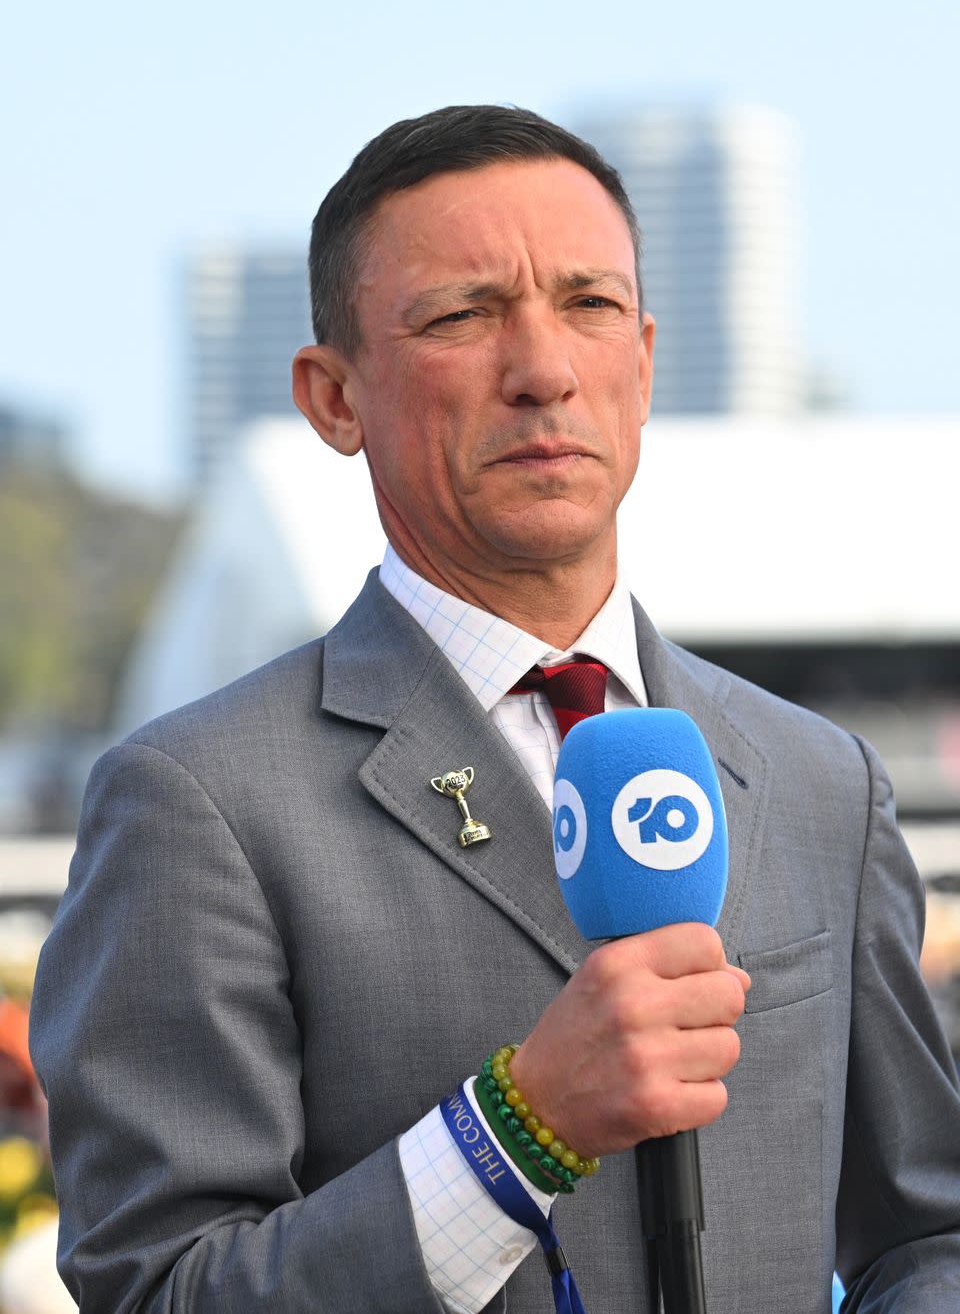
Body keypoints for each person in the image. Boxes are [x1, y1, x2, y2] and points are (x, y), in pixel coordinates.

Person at [30, 106, 960, 1313]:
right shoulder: (199, 803)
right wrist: (516, 1135)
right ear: (333, 398)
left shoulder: (822, 781)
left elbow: (926, 1238)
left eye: (590, 305)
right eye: (462, 315)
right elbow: (158, 1290)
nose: (545, 369)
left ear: (645, 359)